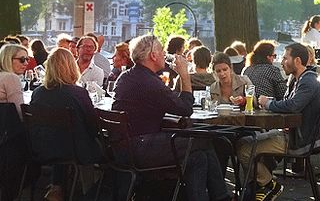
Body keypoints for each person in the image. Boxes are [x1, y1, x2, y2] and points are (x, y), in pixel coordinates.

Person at [112, 34, 232, 201]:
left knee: (197, 158)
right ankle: (222, 197)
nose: (164, 54)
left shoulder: (127, 77)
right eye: (161, 51)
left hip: (124, 148)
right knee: (205, 140)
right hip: (140, 148)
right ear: (153, 56)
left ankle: (218, 197)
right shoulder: (150, 82)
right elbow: (185, 108)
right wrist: (184, 75)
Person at [239, 43, 320, 200]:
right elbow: (286, 103)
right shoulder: (296, 79)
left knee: (244, 149)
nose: (282, 61)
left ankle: (268, 184)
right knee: (247, 143)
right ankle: (259, 189)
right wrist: (264, 101)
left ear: (297, 61)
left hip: (299, 141)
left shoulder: (308, 81)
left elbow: (292, 106)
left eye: (285, 57)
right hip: (291, 134)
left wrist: (268, 103)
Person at [29, 48, 103, 201]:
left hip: (42, 147)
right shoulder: (78, 93)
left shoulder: (38, 93)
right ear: (71, 67)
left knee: (61, 137)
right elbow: (93, 126)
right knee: (87, 142)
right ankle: (89, 191)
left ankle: (56, 187)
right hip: (74, 151)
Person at [0, 44, 26, 116]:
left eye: (27, 59)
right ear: (8, 59)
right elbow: (19, 111)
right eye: (22, 59)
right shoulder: (11, 78)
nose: (26, 63)